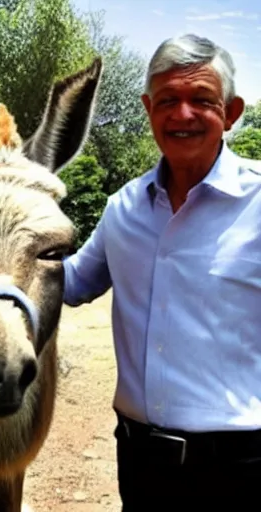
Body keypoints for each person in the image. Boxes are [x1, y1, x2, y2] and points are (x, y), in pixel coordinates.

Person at [63, 33, 261, 508]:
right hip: (141, 461)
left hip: (243, 465)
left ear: (231, 113)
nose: (183, 114)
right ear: (148, 108)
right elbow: (69, 284)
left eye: (202, 100)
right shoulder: (123, 209)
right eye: (168, 100)